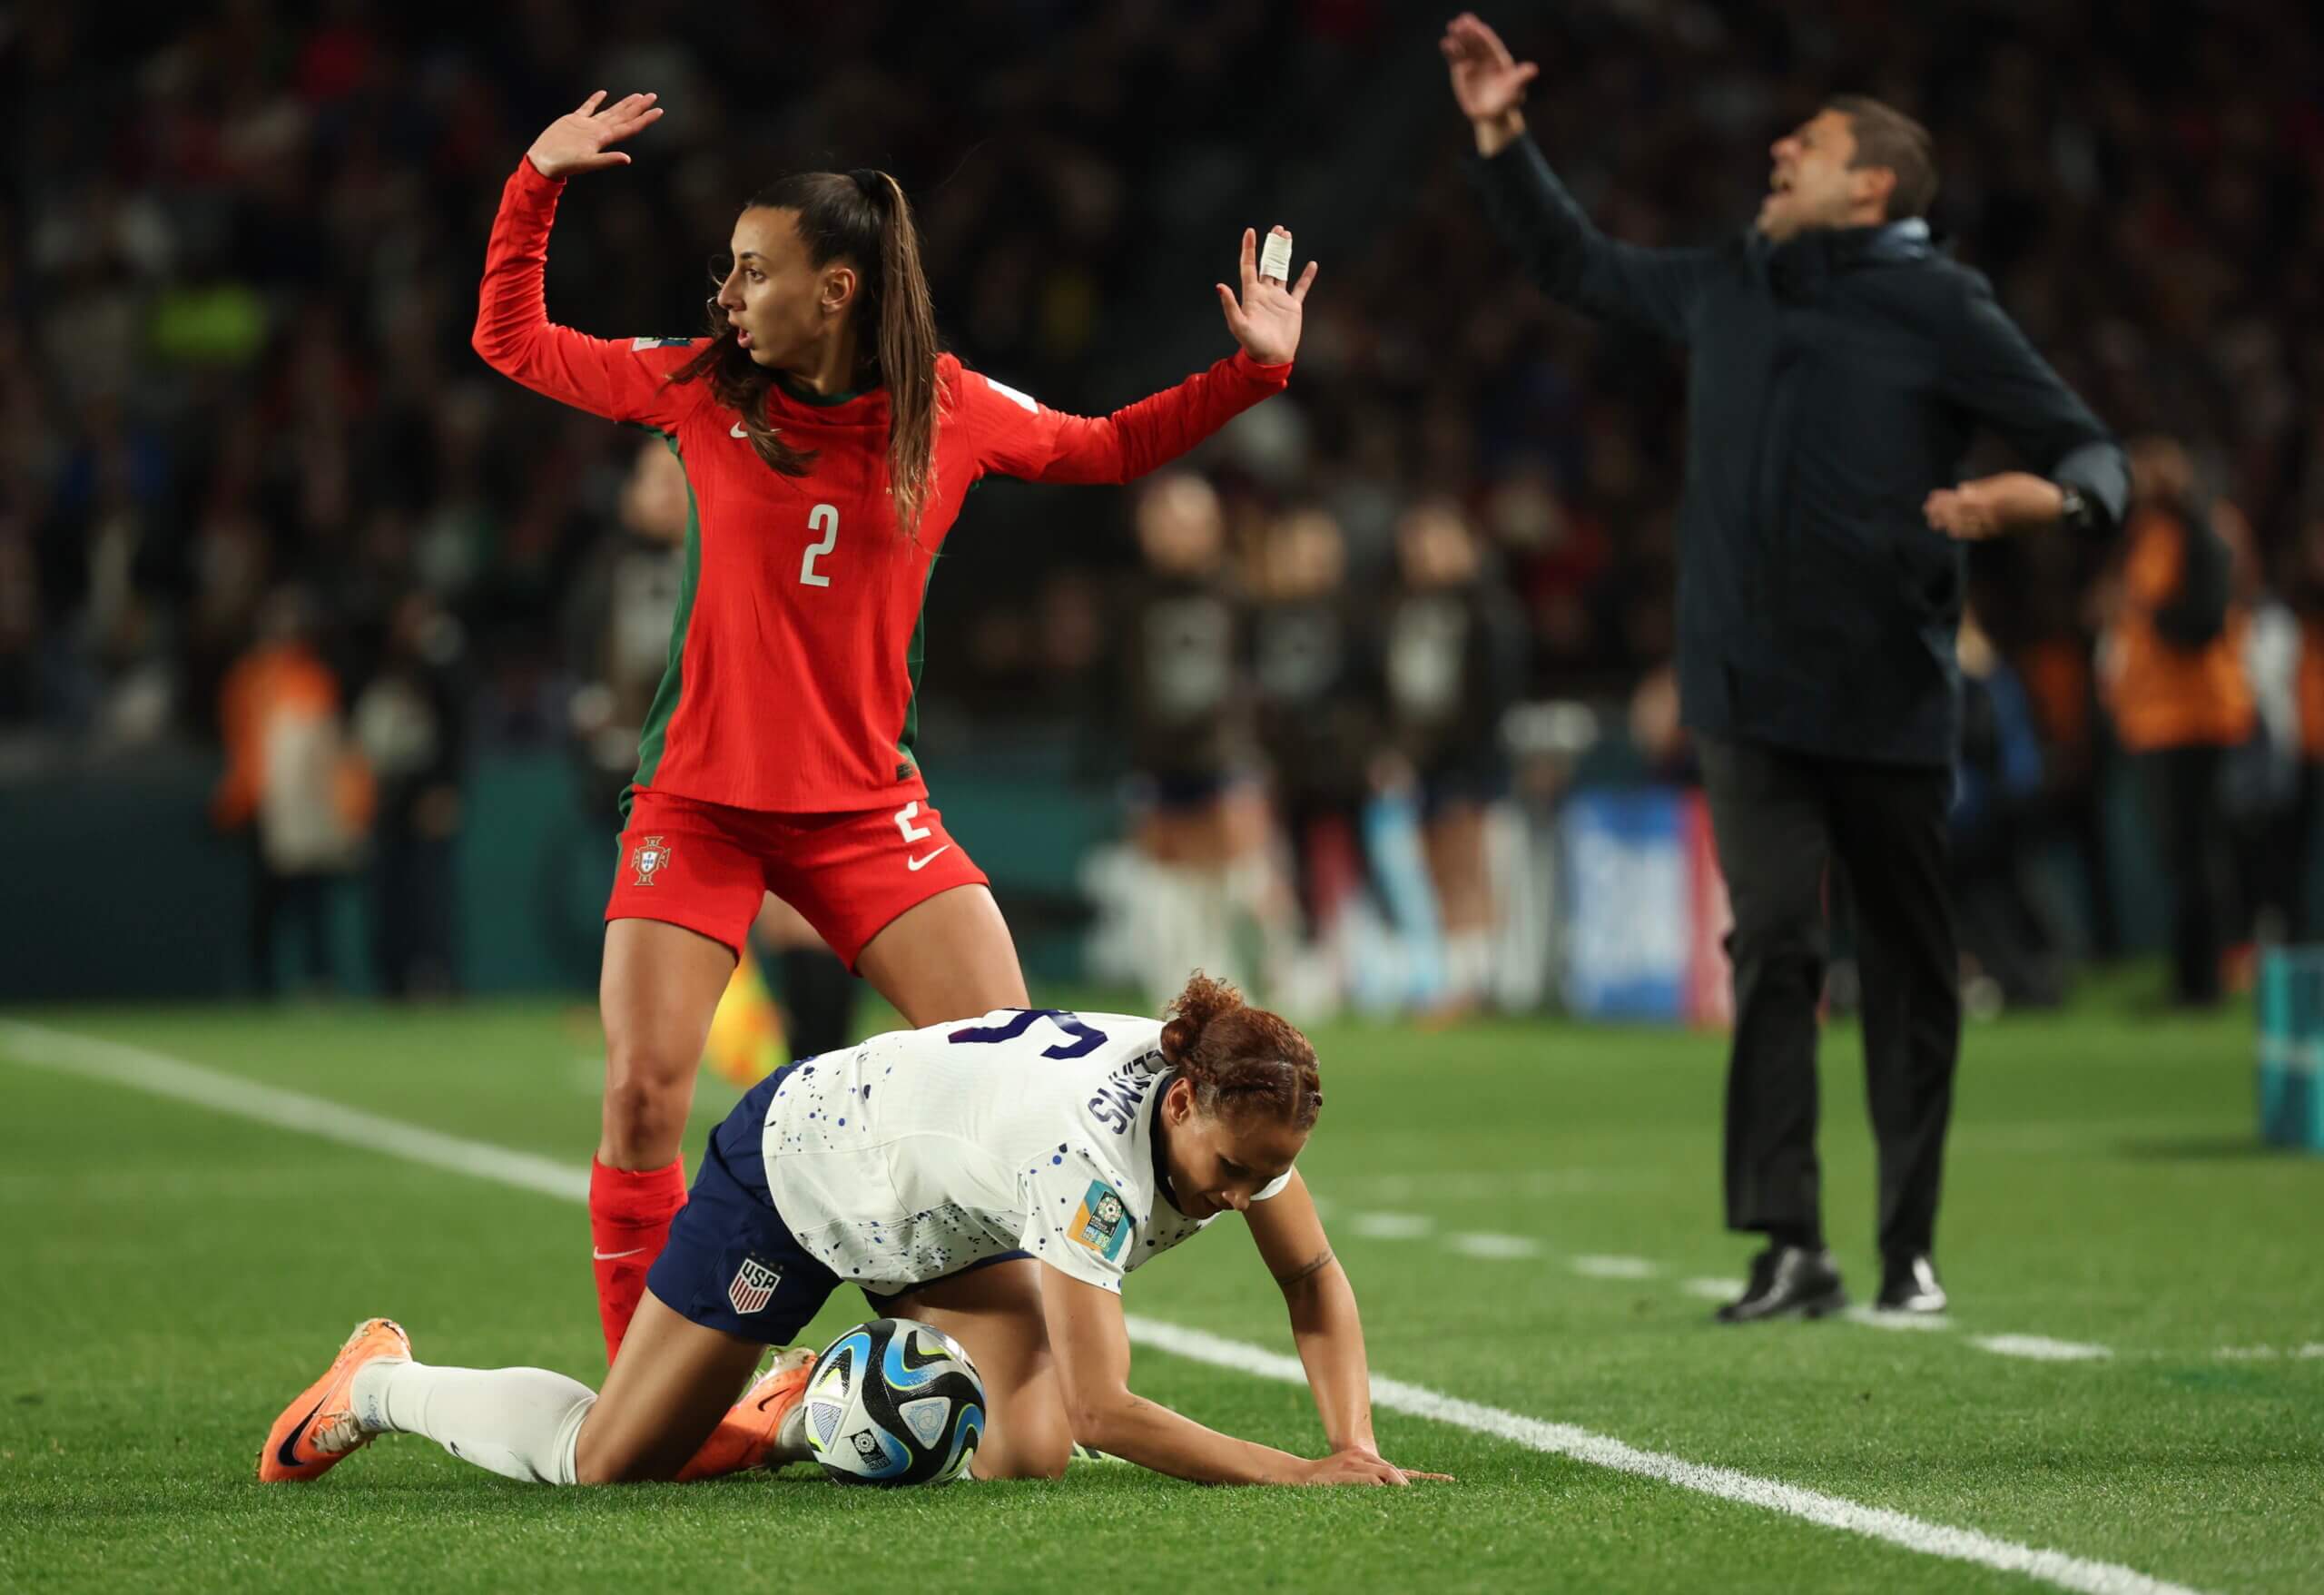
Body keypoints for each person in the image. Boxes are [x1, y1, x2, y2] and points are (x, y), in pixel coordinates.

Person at [474, 92, 1318, 1367]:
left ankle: (1020, 1381)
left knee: (1023, 1087)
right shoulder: (704, 389)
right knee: (644, 1092)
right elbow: (511, 340)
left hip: (869, 809)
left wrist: (1249, 373)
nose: (730, 290)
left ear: (837, 290)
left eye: (755, 270)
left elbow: (1106, 449)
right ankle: (644, 1399)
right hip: (697, 802)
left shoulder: (951, 410)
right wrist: (535, 182)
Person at [1442, 16, 2130, 1319]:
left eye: (1804, 145)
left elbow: (2095, 451)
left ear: (1870, 182)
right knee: (1773, 950)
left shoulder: (1943, 306)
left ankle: (1908, 1245)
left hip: (1887, 692)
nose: (1775, 150)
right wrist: (1502, 137)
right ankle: (1788, 1244)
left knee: (1913, 969)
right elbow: (1576, 265)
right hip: (1747, 690)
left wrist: (2042, 503)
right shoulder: (1737, 281)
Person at [259, 974, 1446, 1489]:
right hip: (808, 1171)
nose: (1246, 1196)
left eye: (1271, 1175)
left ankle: (808, 1407)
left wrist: (1354, 1435)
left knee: (1021, 1451)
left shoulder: (1245, 1104)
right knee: (608, 1462)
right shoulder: (1085, 1155)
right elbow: (1105, 1406)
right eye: (1236, 1173)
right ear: (1181, 1103)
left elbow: (1313, 1279)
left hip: (943, 1221)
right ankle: (383, 1384)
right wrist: (1301, 1473)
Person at [2100, 437, 2253, 1007]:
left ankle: (2204, 981)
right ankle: (2191, 977)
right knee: (2181, 855)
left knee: (2196, 852)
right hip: (2157, 718)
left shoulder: (2203, 529)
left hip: (2196, 714)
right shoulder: (2153, 536)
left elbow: (2204, 620)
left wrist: (2145, 615)